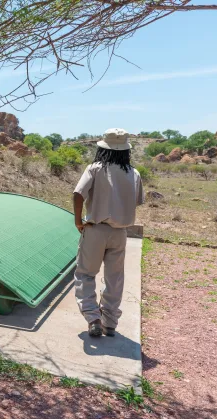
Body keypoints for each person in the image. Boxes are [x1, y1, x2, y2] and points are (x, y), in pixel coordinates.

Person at [72, 128, 144, 337]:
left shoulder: (95, 169)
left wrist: (78, 221)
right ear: (125, 150)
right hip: (120, 233)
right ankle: (110, 322)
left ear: (103, 148)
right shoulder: (134, 173)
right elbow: (135, 202)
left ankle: (93, 317)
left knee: (86, 273)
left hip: (95, 230)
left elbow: (78, 194)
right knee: (114, 278)